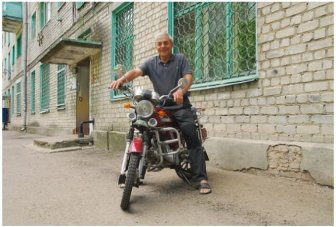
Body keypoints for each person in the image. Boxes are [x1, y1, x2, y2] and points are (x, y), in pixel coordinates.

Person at [110, 32, 211, 195]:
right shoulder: (151, 62)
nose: (162, 46)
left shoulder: (180, 59)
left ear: (171, 45)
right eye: (159, 44)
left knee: (191, 134)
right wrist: (122, 80)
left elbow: (188, 76)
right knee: (144, 128)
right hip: (161, 105)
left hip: (180, 105)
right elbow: (136, 71)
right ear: (156, 46)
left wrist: (181, 90)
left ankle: (201, 179)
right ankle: (136, 172)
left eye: (165, 43)